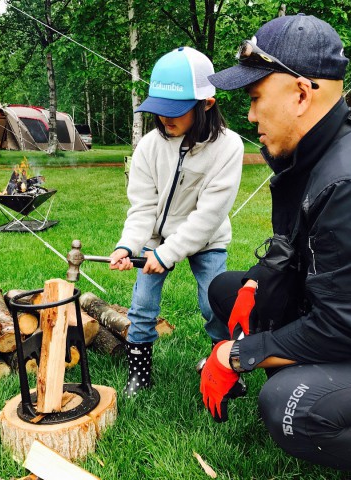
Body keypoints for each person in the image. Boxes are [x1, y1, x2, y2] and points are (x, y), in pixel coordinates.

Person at [199, 13, 351, 479]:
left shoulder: (350, 181)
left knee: (288, 406)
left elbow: (344, 329)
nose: (250, 115)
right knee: (227, 289)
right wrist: (253, 289)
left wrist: (237, 355)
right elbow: (295, 254)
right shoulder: (320, 150)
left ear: (302, 94)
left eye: (257, 97)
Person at [109, 46, 244, 397]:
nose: (165, 118)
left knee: (214, 304)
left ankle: (226, 368)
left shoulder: (229, 147)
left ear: (207, 104)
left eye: (176, 110)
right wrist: (129, 245)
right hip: (155, 238)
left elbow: (208, 215)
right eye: (159, 109)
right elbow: (142, 207)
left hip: (206, 239)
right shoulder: (149, 147)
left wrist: (168, 254)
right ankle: (139, 373)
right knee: (141, 307)